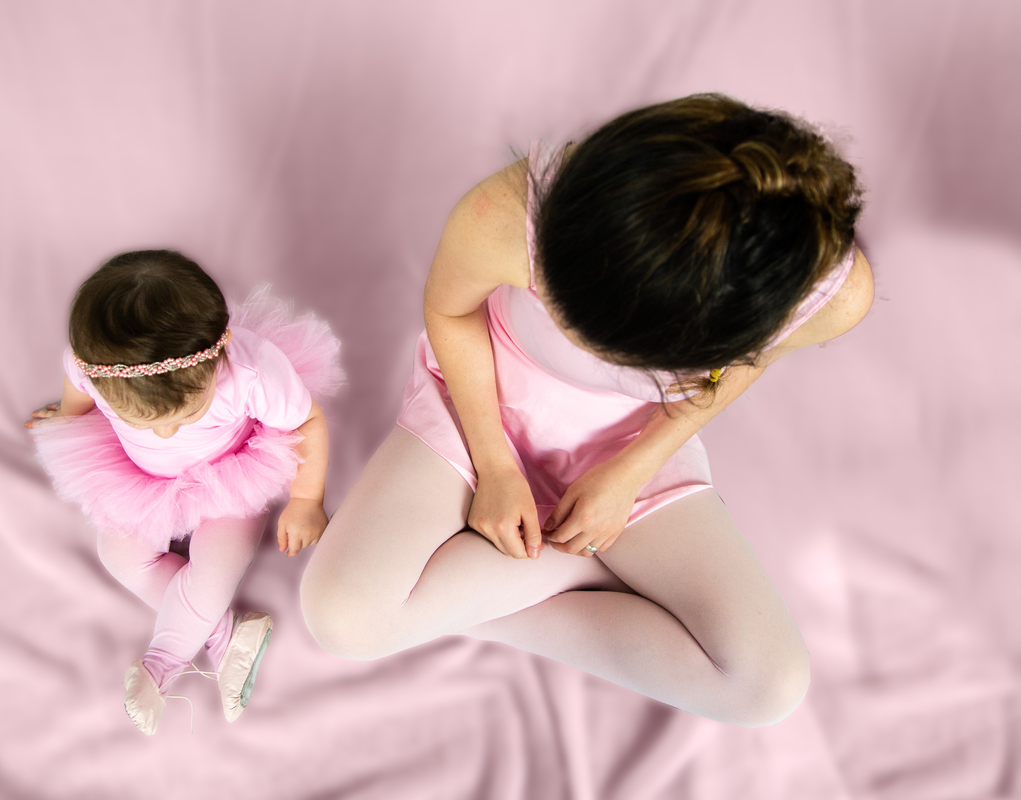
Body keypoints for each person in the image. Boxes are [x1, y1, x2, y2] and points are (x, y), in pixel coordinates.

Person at [300, 94, 873, 727]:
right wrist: (494, 463)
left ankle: (541, 578)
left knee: (768, 686)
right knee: (339, 620)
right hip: (486, 398)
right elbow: (451, 311)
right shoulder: (511, 209)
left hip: (635, 442)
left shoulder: (830, 297)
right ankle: (587, 572)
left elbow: (745, 363)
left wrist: (628, 473)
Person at [26, 250, 342, 734]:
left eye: (186, 415)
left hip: (228, 477)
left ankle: (159, 667)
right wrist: (66, 420)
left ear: (220, 356)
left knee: (215, 567)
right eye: (146, 421)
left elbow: (309, 420)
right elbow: (78, 401)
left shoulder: (251, 374)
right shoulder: (91, 370)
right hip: (142, 480)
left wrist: (306, 499)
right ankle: (226, 636)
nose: (170, 432)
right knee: (119, 556)